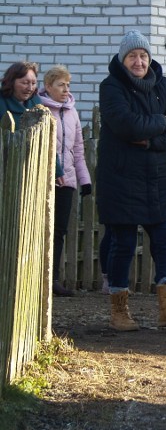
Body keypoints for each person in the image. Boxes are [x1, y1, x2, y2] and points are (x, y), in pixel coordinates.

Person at [96, 30, 166, 331]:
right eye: (132, 56)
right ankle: (119, 312)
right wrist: (158, 122)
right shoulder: (111, 87)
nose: (139, 61)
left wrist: (151, 140)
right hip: (122, 178)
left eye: (143, 56)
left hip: (159, 177)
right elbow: (127, 125)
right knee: (123, 243)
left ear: (149, 58)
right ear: (123, 59)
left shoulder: (161, 85)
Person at [39, 65, 93, 297]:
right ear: (48, 86)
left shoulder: (72, 112)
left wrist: (85, 181)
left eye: (67, 85)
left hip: (66, 182)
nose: (65, 89)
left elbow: (78, 150)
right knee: (39, 229)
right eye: (61, 84)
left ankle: (53, 279)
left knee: (58, 231)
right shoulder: (40, 109)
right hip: (44, 179)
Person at [1, 61, 43, 127]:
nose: (30, 88)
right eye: (25, 83)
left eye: (33, 83)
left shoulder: (37, 102)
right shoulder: (2, 102)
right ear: (11, 82)